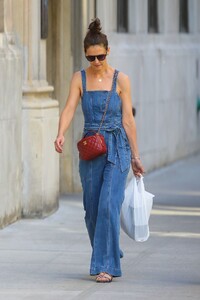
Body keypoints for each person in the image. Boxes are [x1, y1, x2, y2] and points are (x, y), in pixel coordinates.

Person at [54, 18, 144, 283]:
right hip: (91, 149)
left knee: (107, 205)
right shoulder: (79, 78)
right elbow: (70, 107)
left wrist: (136, 157)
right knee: (92, 210)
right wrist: (60, 133)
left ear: (108, 50)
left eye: (100, 56)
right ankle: (111, 249)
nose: (96, 62)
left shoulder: (121, 80)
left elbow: (128, 119)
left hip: (117, 148)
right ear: (85, 55)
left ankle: (106, 266)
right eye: (91, 58)